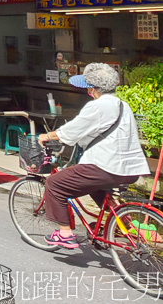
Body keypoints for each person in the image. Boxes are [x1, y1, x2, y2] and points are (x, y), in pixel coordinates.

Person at [38, 63, 149, 249]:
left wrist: (47, 136)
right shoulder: (123, 105)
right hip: (131, 168)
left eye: (88, 86)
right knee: (95, 187)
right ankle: (120, 222)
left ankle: (64, 234)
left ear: (93, 89)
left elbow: (72, 131)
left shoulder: (98, 106)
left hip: (105, 166)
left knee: (54, 184)